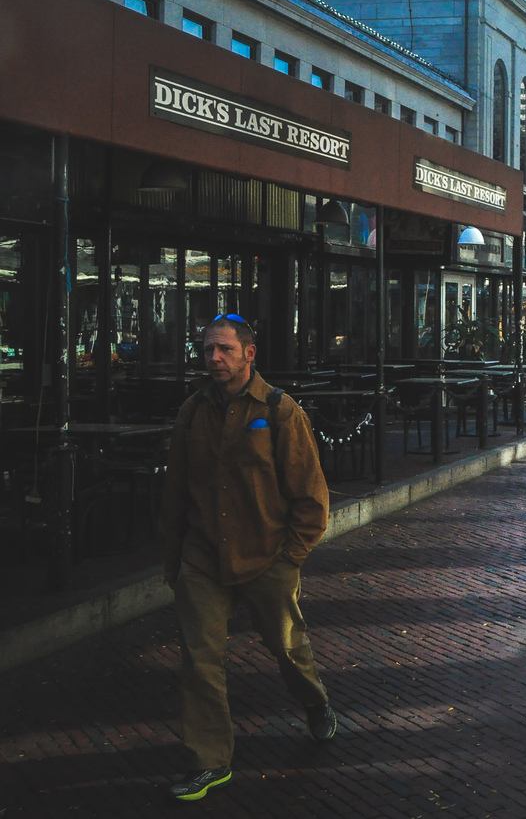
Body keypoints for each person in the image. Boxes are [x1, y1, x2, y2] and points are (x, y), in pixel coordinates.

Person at [158, 315, 336, 803]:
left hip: (266, 556)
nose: (214, 358)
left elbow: (311, 496)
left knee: (287, 648)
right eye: (207, 350)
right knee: (200, 660)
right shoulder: (193, 411)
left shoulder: (280, 411)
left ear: (249, 354)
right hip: (202, 558)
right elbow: (176, 491)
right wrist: (174, 559)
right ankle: (210, 761)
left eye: (225, 349)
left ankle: (315, 701)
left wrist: (290, 557)